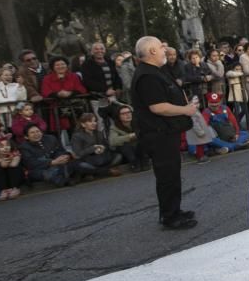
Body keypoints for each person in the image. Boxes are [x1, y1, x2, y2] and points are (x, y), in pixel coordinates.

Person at [131, 36, 198, 229]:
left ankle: (174, 210)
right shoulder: (147, 75)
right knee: (167, 176)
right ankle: (170, 216)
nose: (165, 50)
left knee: (172, 174)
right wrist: (185, 110)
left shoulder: (154, 71)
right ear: (152, 51)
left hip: (165, 132)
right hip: (158, 134)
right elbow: (158, 107)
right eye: (161, 46)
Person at [70, 113, 121, 177]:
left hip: (103, 158)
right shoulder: (77, 136)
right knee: (81, 165)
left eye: (95, 121)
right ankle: (107, 171)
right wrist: (93, 148)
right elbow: (78, 153)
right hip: (88, 160)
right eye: (90, 121)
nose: (94, 123)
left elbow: (107, 146)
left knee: (118, 156)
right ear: (83, 124)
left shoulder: (99, 133)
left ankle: (95, 173)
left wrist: (103, 148)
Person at [108, 105, 145, 171]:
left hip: (140, 148)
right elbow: (112, 141)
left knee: (141, 142)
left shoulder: (138, 121)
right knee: (125, 145)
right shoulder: (114, 127)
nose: (127, 115)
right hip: (127, 152)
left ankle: (145, 161)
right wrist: (129, 136)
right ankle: (134, 163)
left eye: (129, 112)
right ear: (118, 116)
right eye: (124, 113)